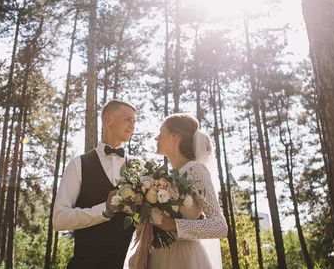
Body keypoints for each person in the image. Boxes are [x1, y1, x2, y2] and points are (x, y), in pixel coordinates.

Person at [132, 113, 228, 269]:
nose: (156, 138)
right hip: (159, 256)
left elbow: (219, 226)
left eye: (161, 131)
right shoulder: (165, 177)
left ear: (174, 136)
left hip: (185, 258)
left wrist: (173, 225)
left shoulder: (196, 170)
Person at [53, 99, 138, 269]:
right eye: (127, 119)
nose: (132, 126)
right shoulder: (78, 164)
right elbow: (59, 220)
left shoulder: (139, 167)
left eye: (134, 122)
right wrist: (103, 211)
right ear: (108, 119)